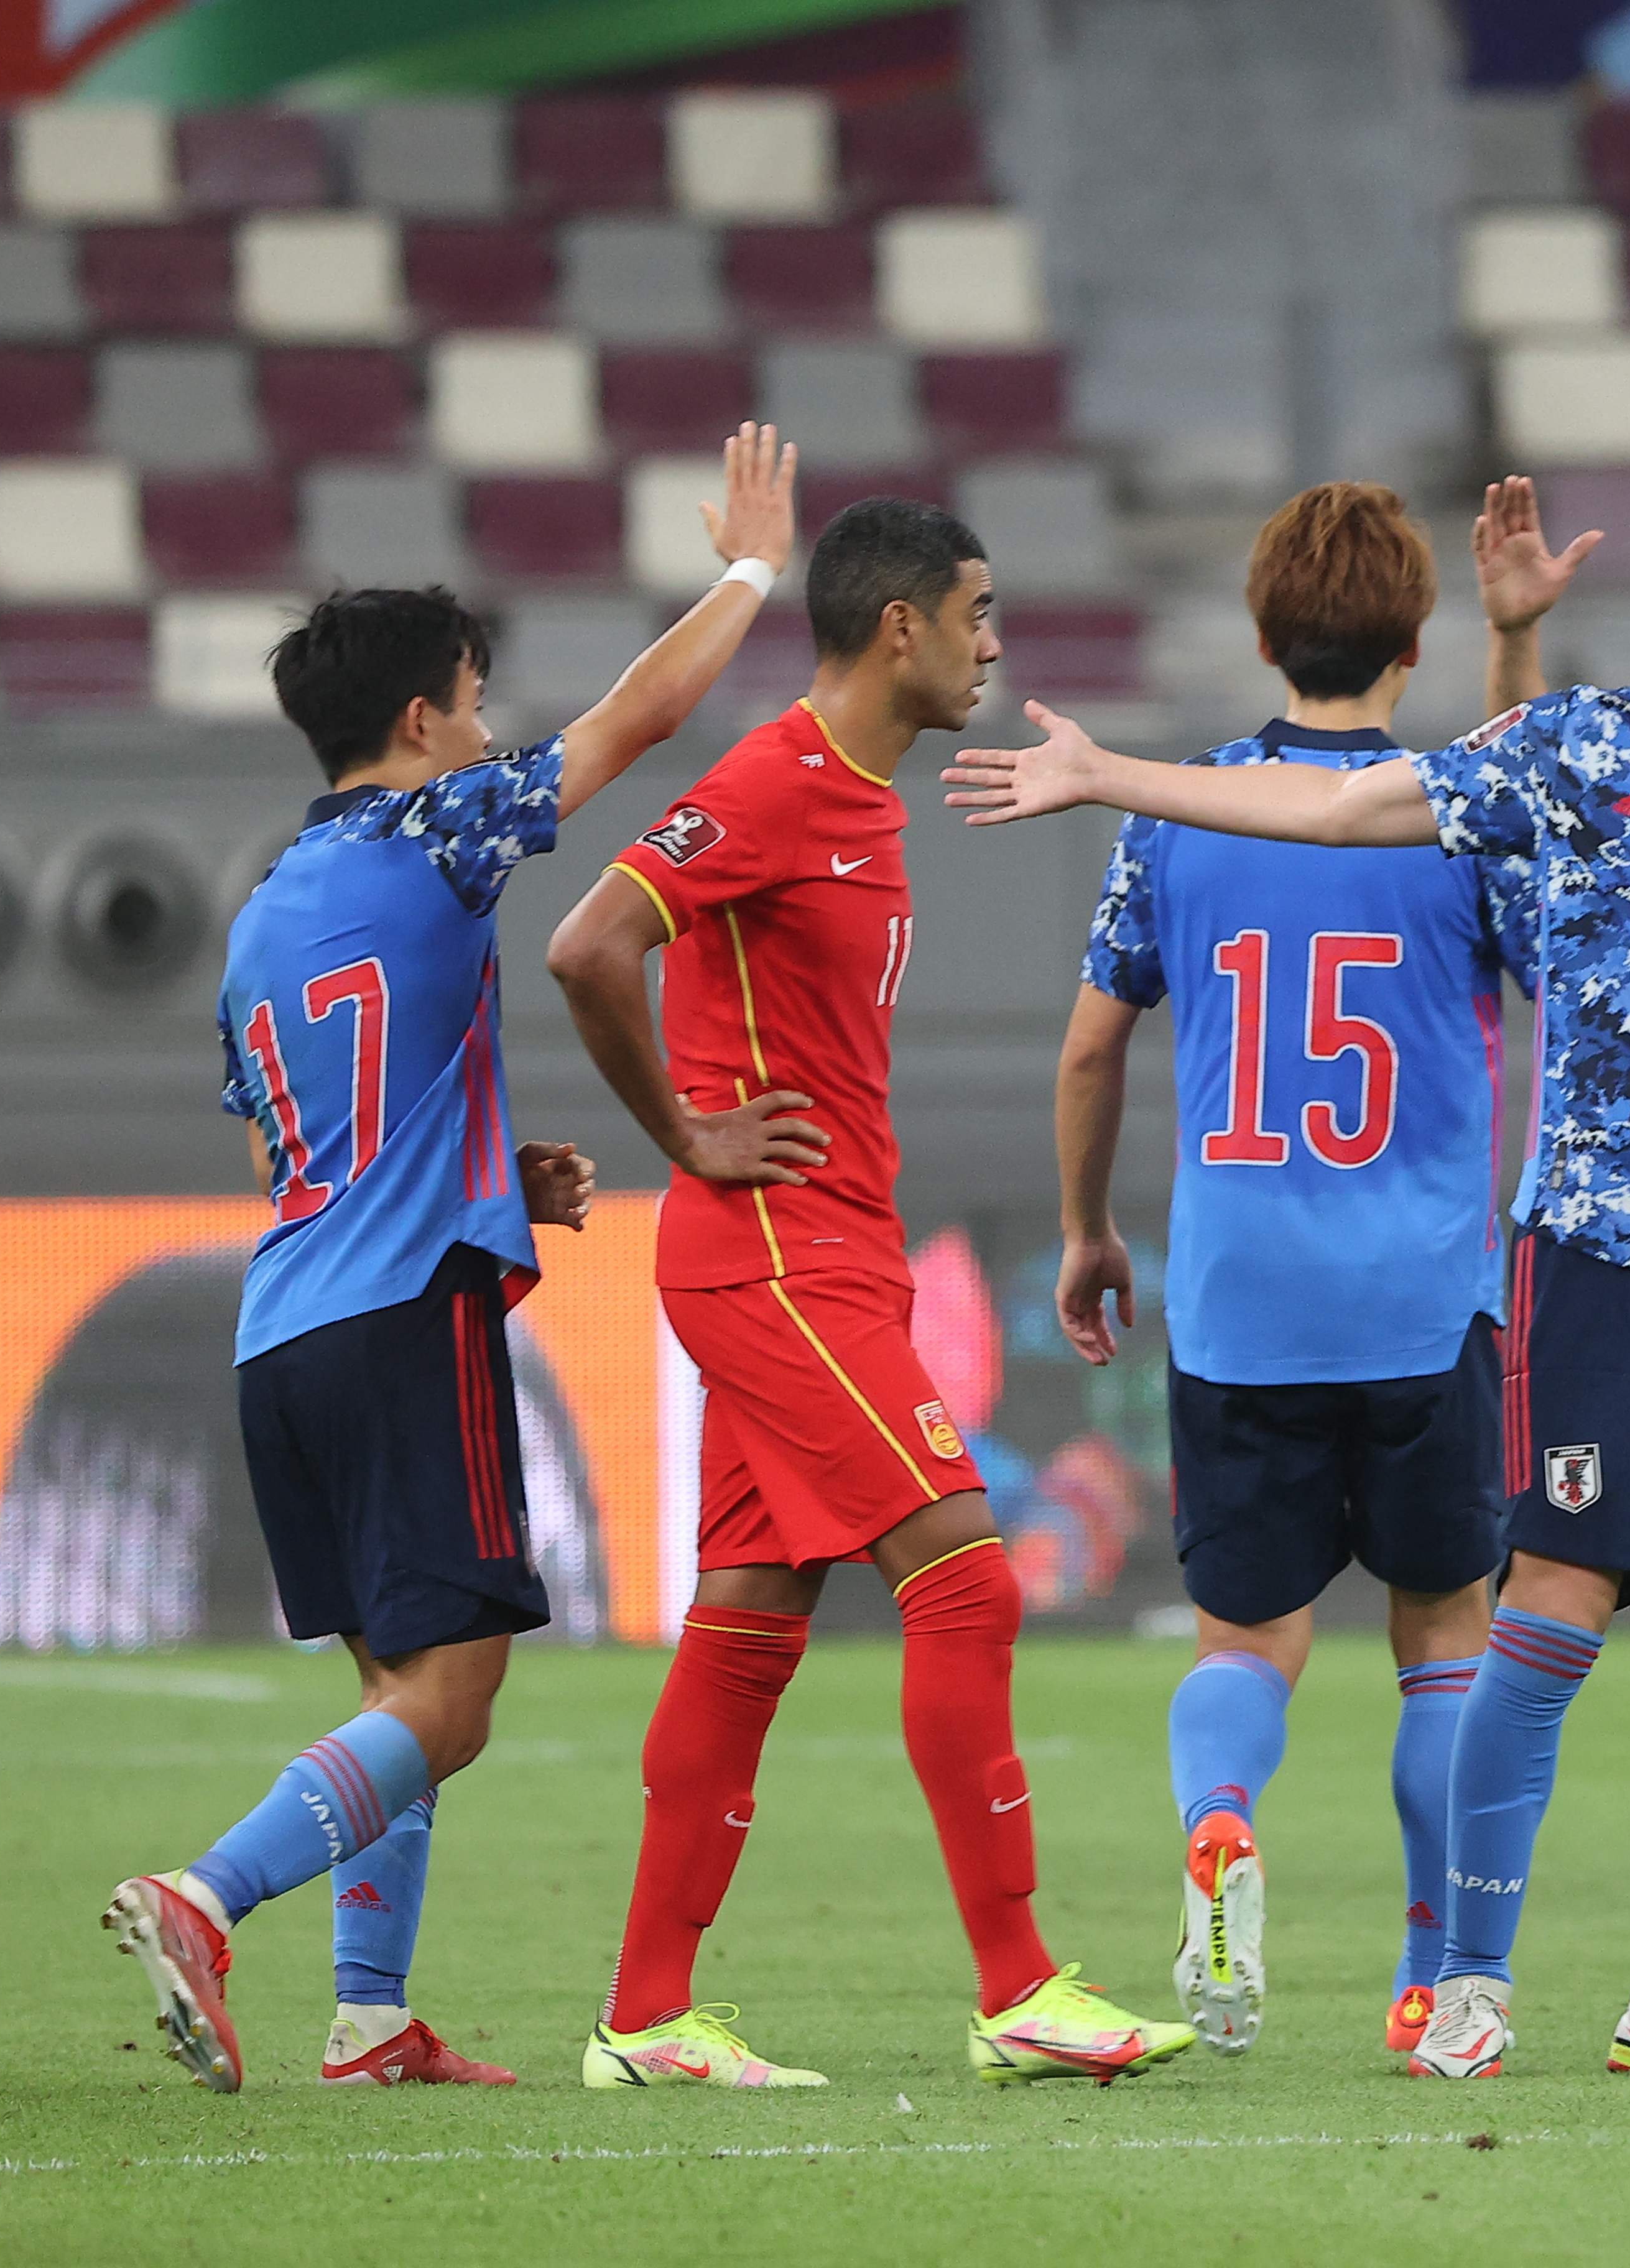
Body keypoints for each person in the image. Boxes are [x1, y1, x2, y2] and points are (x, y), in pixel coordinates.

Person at [948, 433, 1630, 2080]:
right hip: (1603, 1255)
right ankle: (1471, 1985)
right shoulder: (1585, 750)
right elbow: (1348, 800)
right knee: (1540, 1614)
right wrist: (1110, 772)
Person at [106, 426, 797, 2094]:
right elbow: (636, 726)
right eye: (476, 703)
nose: (488, 730)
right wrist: (750, 573)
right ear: (421, 723)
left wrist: (502, 1170)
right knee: (459, 1700)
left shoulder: (266, 910)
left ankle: (370, 2018)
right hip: (409, 1325)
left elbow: (305, 1139)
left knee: (397, 1691)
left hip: (287, 1335)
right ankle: (204, 1899)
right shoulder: (437, 833)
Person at [552, 497, 1197, 2090]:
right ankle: (1020, 1986)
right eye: (977, 611)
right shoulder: (775, 781)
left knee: (751, 1624)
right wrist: (686, 1134)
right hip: (772, 1254)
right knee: (968, 1577)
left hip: (831, 1255)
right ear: (898, 625)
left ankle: (645, 2018)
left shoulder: (863, 797)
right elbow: (588, 945)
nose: (993, 640)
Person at [1053, 482, 1527, 2059]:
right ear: (1414, 643)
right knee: (1445, 1638)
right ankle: (1428, 1973)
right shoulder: (1452, 807)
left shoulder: (1178, 809)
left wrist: (1087, 1229)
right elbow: (1530, 897)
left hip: (1243, 1298)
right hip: (1420, 1297)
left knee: (1245, 1642)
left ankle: (1218, 1823)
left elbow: (1091, 1049)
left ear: (1264, 638)